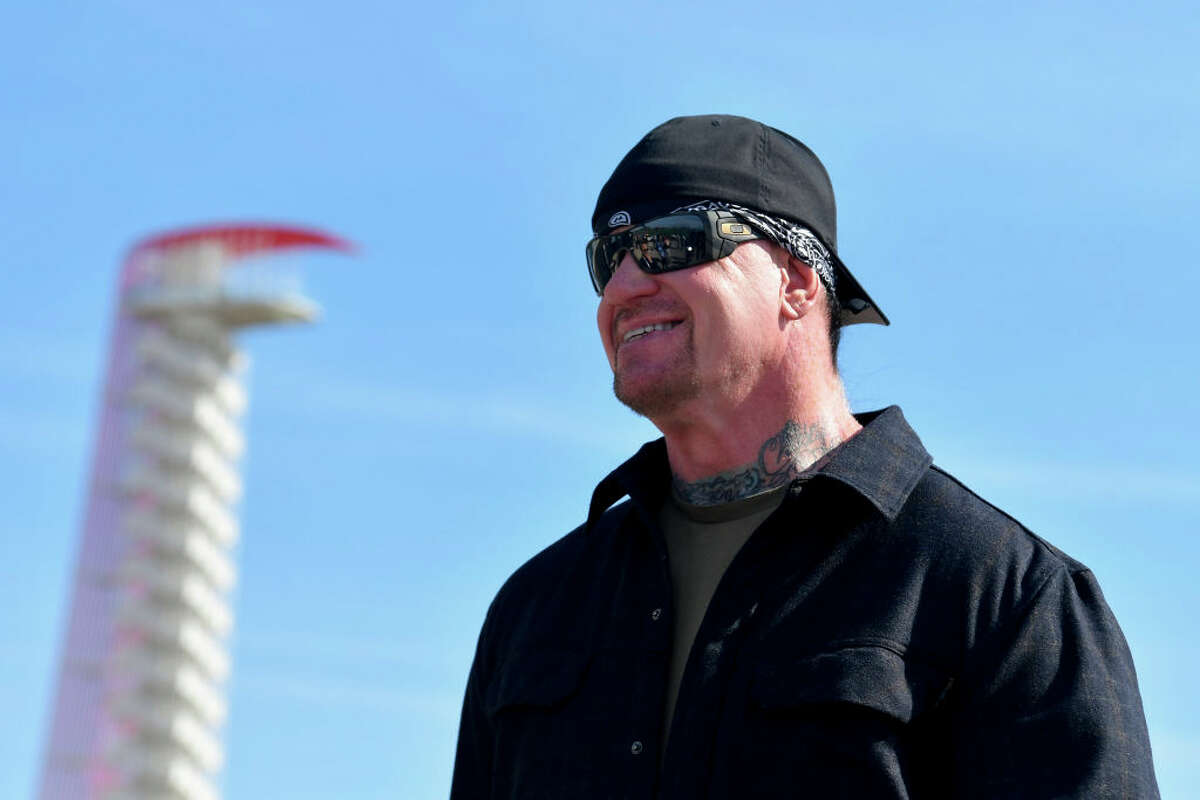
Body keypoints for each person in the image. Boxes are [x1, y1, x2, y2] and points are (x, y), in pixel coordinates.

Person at [450, 114, 1159, 799]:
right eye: (609, 259)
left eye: (672, 244)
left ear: (796, 279)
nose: (625, 287)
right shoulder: (535, 607)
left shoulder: (1002, 593)